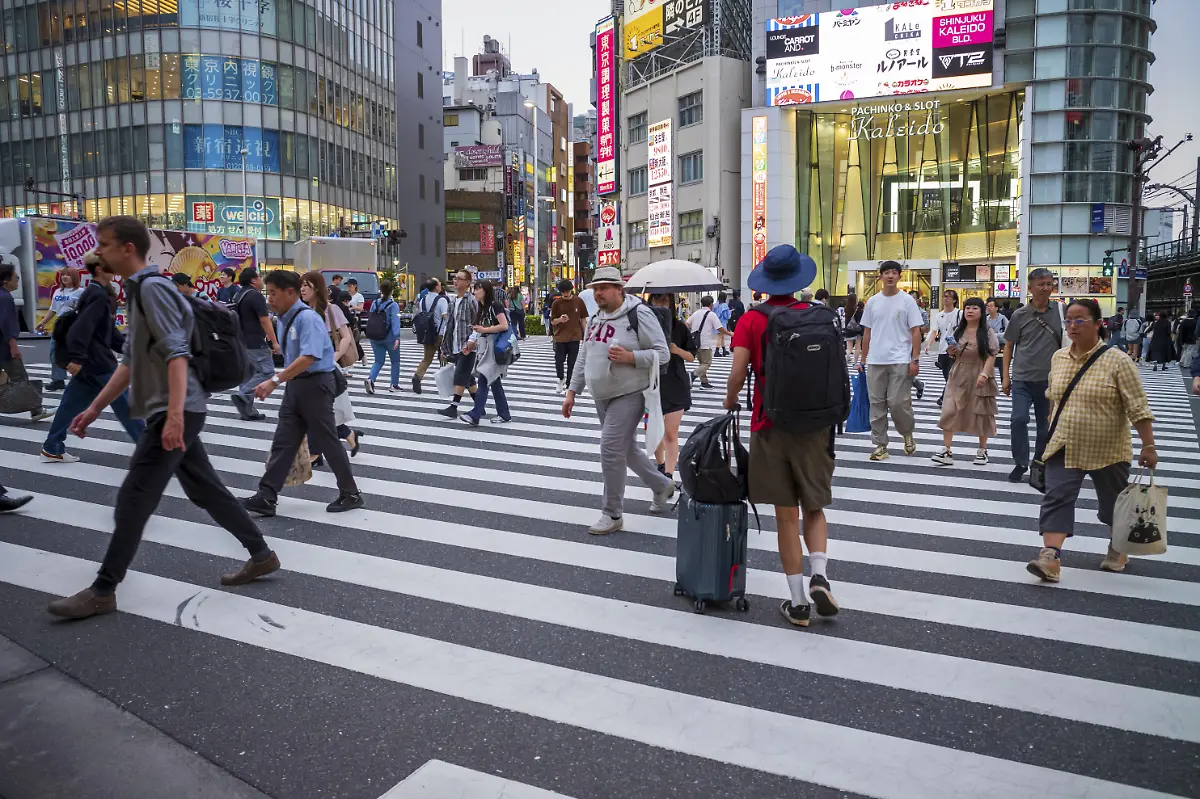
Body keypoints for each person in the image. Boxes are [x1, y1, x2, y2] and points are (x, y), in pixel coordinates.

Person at [47, 216, 279, 620]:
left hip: (177, 409)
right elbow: (131, 360)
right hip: (176, 409)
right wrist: (95, 408)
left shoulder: (152, 289)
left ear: (127, 249)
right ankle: (261, 554)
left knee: (135, 497)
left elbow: (177, 353)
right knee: (205, 489)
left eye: (104, 244)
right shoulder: (138, 291)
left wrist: (173, 417)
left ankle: (104, 589)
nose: (97, 252)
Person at [723, 245, 837, 628]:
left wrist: (730, 399)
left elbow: (738, 373)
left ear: (766, 282)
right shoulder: (820, 315)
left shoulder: (752, 319)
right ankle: (819, 573)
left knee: (786, 516)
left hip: (769, 425)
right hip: (816, 424)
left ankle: (798, 602)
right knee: (815, 507)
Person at [1027, 299, 1156, 582]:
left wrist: (1148, 445)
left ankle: (1118, 547)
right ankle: (1050, 556)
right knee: (1056, 497)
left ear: (1099, 324)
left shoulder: (1118, 361)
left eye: (1080, 320)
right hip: (1065, 443)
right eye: (1069, 321)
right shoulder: (1059, 357)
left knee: (1113, 505)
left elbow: (1138, 406)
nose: (1072, 326)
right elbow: (1054, 399)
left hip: (1108, 447)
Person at [562, 267, 675, 535]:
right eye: (595, 288)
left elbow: (663, 354)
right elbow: (584, 355)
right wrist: (572, 391)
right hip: (601, 394)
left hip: (630, 391)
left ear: (619, 289)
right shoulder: (596, 318)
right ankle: (662, 485)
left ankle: (612, 513)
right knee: (625, 450)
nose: (598, 293)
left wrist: (631, 358)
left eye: (604, 287)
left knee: (610, 449)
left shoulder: (639, 314)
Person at [241, 270, 364, 516]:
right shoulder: (285, 317)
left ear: (290, 292)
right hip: (297, 385)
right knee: (284, 440)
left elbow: (309, 357)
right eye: (268, 293)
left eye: (274, 293)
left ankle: (351, 493)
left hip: (316, 384)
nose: (270, 299)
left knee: (327, 439)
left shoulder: (307, 318)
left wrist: (274, 380)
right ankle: (267, 495)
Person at [40, 252, 144, 463]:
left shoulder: (95, 292)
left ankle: (52, 447)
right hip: (98, 362)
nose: (114, 269)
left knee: (69, 405)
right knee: (125, 404)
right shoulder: (96, 294)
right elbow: (82, 328)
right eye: (109, 265)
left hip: (89, 362)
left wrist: (127, 348)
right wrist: (77, 358)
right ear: (98, 269)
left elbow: (104, 330)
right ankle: (150, 450)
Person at [1002, 268, 1064, 483]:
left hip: (1050, 381)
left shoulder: (1061, 312)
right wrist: (1005, 377)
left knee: (1045, 426)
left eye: (1049, 283)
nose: (1046, 288)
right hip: (1022, 378)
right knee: (1018, 419)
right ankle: (1020, 462)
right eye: (1041, 284)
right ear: (1030, 288)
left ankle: (1039, 464)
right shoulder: (1020, 315)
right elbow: (1009, 346)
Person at [860, 261, 924, 461]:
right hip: (876, 360)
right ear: (880, 276)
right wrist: (862, 359)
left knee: (897, 402)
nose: (890, 276)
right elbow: (867, 332)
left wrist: (915, 359)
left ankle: (907, 433)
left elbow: (916, 331)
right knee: (876, 404)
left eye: (894, 273)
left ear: (899, 276)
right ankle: (880, 445)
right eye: (886, 272)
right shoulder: (872, 302)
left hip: (899, 359)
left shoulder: (907, 301)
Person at [300, 271, 362, 459]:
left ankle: (316, 452)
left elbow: (346, 337)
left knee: (318, 411)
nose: (302, 289)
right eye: (301, 285)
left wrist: (334, 356)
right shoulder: (302, 310)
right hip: (307, 367)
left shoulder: (331, 309)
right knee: (316, 412)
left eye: (306, 286)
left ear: (317, 289)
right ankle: (345, 435)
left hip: (325, 367)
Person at [931, 297, 998, 467]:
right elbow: (954, 354)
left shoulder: (987, 332)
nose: (970, 311)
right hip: (958, 372)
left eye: (975, 308)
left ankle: (982, 450)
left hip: (980, 372)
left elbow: (991, 354)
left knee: (981, 411)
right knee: (950, 409)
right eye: (967, 308)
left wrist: (984, 374)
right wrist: (952, 352)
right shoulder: (958, 331)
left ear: (981, 312)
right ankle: (946, 450)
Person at [649, 293, 694, 482]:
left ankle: (669, 473)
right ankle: (660, 464)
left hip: (676, 383)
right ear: (650, 302)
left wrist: (676, 350)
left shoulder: (679, 327)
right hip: (650, 384)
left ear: (672, 304)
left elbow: (692, 356)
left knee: (670, 432)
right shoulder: (644, 326)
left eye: (665, 301)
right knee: (653, 429)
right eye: (657, 300)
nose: (661, 304)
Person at [0, 264, 51, 422]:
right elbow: (6, 324)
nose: (17, 281)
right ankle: (36, 410)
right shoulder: (5, 298)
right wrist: (13, 345)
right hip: (4, 346)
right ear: (5, 281)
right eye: (16, 278)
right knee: (20, 377)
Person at [459, 279, 513, 426]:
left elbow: (504, 325)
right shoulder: (481, 308)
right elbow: (479, 330)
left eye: (478, 289)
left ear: (486, 291)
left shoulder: (495, 306)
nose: (475, 292)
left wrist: (485, 330)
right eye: (475, 289)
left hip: (494, 348)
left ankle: (475, 414)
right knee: (494, 381)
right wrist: (472, 344)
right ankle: (504, 413)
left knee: (483, 380)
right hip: (485, 348)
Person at [230, 268, 280, 422]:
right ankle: (243, 394)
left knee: (249, 375)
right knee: (267, 372)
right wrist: (274, 341)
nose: (261, 280)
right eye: (259, 277)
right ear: (253, 280)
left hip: (240, 341)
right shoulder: (255, 296)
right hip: (255, 342)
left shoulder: (238, 295)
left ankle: (248, 412)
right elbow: (265, 320)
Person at [438, 269, 481, 417]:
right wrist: (444, 346)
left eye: (459, 279)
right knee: (468, 378)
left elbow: (479, 321)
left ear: (468, 283)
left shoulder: (472, 300)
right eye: (455, 278)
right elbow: (450, 325)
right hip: (455, 345)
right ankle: (479, 406)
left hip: (468, 345)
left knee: (460, 374)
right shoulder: (453, 301)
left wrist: (473, 339)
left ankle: (453, 407)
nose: (455, 281)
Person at [36, 266, 83, 390]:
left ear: (74, 277)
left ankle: (80, 379)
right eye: (63, 275)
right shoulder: (58, 291)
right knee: (54, 352)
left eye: (68, 275)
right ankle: (58, 379)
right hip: (60, 324)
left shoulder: (80, 292)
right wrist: (43, 322)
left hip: (74, 324)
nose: (64, 277)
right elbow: (53, 309)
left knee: (75, 352)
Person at [550, 279, 588, 394]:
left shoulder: (578, 301)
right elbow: (552, 321)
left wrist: (586, 335)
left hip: (575, 336)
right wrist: (560, 319)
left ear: (571, 290)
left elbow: (583, 320)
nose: (565, 294)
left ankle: (568, 386)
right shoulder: (556, 303)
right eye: (563, 292)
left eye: (567, 291)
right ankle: (560, 378)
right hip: (560, 336)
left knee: (572, 362)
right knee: (559, 360)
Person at [412, 278, 450, 393]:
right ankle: (446, 384)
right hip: (440, 334)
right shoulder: (442, 300)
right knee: (443, 358)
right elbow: (445, 317)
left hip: (427, 333)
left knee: (427, 358)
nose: (441, 286)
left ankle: (417, 376)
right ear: (436, 287)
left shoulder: (423, 299)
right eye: (439, 284)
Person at [364, 280, 402, 393]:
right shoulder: (393, 305)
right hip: (389, 337)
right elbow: (395, 322)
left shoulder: (375, 303)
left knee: (378, 361)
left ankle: (371, 379)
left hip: (374, 336)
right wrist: (397, 337)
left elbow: (370, 319)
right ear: (392, 291)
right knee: (395, 361)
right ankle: (394, 384)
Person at [927, 289, 962, 407]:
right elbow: (934, 331)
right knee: (948, 376)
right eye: (944, 296)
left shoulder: (960, 314)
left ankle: (944, 398)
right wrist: (928, 344)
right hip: (943, 349)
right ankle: (947, 397)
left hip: (955, 350)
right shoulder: (939, 315)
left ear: (955, 300)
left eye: (948, 297)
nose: (945, 298)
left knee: (951, 376)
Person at [688, 296, 731, 390]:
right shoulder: (711, 314)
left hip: (695, 342)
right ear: (711, 304)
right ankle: (692, 375)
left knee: (702, 363)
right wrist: (730, 334)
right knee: (707, 364)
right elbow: (719, 327)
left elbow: (687, 323)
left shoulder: (696, 313)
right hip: (705, 343)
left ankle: (704, 382)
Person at [986, 297, 1009, 380]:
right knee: (988, 368)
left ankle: (1004, 383)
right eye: (987, 306)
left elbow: (1007, 333)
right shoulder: (985, 319)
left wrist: (994, 335)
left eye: (991, 306)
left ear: (996, 308)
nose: (988, 308)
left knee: (1002, 367)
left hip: (1001, 346)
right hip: (988, 347)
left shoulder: (1003, 319)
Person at [840, 295, 863, 363]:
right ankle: (855, 363)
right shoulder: (858, 309)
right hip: (857, 330)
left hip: (849, 329)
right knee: (857, 347)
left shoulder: (846, 308)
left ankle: (844, 360)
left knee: (849, 348)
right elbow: (860, 320)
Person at [714, 292, 732, 357]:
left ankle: (724, 350)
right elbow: (726, 316)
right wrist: (730, 311)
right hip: (722, 322)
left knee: (721, 336)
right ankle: (717, 351)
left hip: (716, 321)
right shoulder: (724, 305)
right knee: (719, 337)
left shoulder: (716, 304)